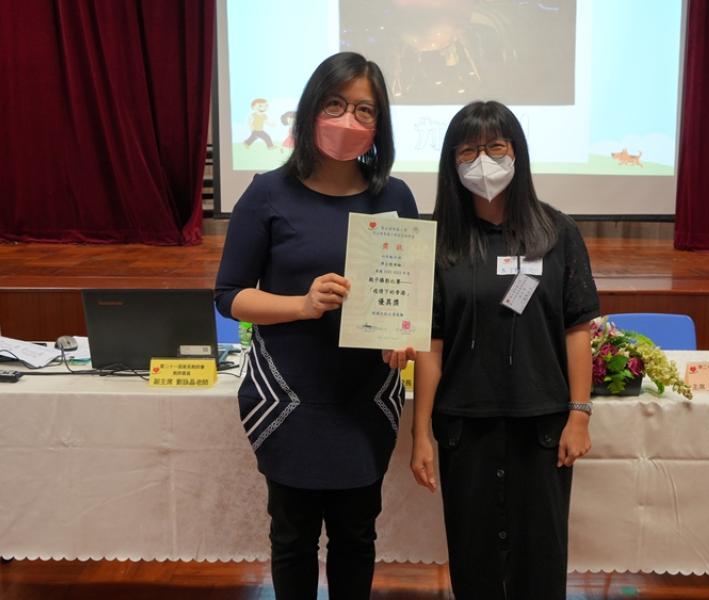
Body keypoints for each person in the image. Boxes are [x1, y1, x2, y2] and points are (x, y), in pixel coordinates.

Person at [215, 52, 417, 600]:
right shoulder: (267, 193)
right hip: (287, 400)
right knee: (292, 537)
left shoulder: (394, 197)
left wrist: (403, 337)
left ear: (379, 123)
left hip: (366, 399)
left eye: (364, 110)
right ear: (310, 110)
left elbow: (407, 294)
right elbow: (230, 297)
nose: (349, 120)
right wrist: (302, 304)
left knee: (357, 535)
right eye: (335, 104)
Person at [410, 100, 599, 599]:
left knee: (540, 564)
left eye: (495, 148)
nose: (483, 162)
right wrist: (420, 432)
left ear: (517, 153)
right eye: (468, 152)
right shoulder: (437, 241)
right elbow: (431, 343)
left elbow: (577, 329)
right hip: (464, 427)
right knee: (474, 564)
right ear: (451, 162)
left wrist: (579, 414)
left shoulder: (557, 233)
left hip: (541, 425)